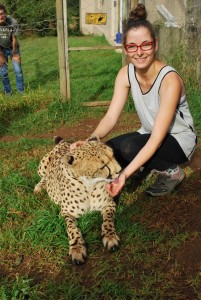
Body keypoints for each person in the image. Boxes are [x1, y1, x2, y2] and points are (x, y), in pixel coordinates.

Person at [71, 4, 197, 197]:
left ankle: (173, 173)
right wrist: (91, 141)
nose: (139, 52)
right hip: (148, 133)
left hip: (179, 141)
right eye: (132, 46)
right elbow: (111, 116)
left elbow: (156, 138)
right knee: (109, 149)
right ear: (126, 49)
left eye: (145, 44)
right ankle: (143, 166)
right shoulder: (125, 74)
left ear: (155, 44)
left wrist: (124, 175)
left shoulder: (169, 80)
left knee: (129, 149)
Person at [0, 3, 24, 95]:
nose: (0, 16)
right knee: (3, 72)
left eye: (2, 13)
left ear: (5, 13)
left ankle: (21, 92)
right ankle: (8, 93)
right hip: (1, 50)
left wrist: (15, 54)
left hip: (12, 48)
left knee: (18, 70)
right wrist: (1, 56)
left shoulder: (12, 21)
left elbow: (14, 38)